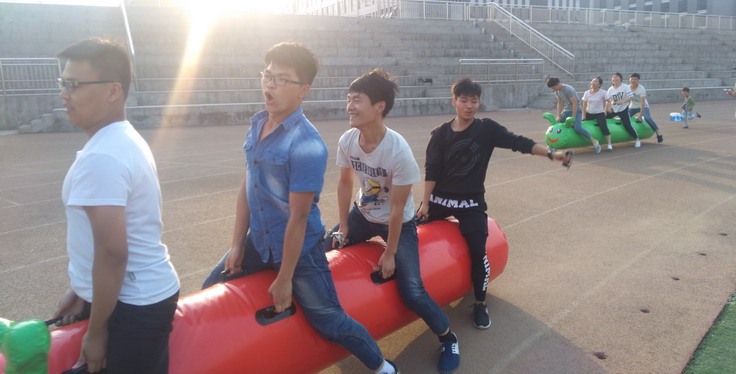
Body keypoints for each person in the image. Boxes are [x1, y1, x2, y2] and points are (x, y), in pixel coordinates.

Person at [202, 44, 398, 374]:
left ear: (303, 89)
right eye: (267, 76)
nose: (270, 85)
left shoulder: (307, 143)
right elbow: (248, 187)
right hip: (259, 240)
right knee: (209, 292)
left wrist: (285, 277)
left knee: (329, 320)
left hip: (300, 250)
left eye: (281, 79)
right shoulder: (258, 124)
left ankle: (383, 367)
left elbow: (299, 216)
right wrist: (237, 245)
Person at [52, 38, 180, 374]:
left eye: (73, 85)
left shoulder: (103, 156)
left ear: (113, 91)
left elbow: (112, 254)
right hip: (133, 295)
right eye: (63, 83)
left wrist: (97, 332)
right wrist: (81, 288)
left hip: (134, 304)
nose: (64, 94)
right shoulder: (119, 138)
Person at [326, 69, 461, 374]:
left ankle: (447, 337)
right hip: (362, 215)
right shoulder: (348, 139)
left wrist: (389, 252)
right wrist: (344, 227)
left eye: (356, 100)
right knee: (321, 251)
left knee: (412, 291)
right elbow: (345, 183)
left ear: (379, 106)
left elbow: (398, 209)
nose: (349, 106)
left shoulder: (398, 151)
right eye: (348, 99)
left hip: (396, 223)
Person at [415, 77, 572, 332]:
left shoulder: (486, 129)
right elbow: (432, 169)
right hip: (440, 199)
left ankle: (480, 302)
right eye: (464, 100)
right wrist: (425, 203)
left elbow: (518, 142)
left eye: (474, 101)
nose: (469, 105)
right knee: (408, 234)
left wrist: (552, 154)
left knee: (479, 251)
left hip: (471, 202)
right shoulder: (440, 133)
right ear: (454, 101)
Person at [547, 77, 601, 153]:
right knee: (556, 124)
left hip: (577, 110)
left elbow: (575, 103)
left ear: (558, 84)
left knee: (577, 128)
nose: (553, 89)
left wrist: (573, 118)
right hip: (567, 110)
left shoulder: (568, 89)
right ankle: (552, 145)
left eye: (553, 87)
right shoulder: (557, 91)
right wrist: (558, 115)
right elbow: (559, 102)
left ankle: (594, 141)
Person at [606, 72, 640, 148]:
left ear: (620, 78)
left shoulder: (625, 87)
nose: (615, 78)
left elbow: (630, 97)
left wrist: (622, 101)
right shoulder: (610, 89)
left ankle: (637, 139)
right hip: (614, 109)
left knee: (627, 125)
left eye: (616, 77)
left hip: (623, 109)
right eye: (613, 77)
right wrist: (608, 108)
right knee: (603, 119)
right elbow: (608, 100)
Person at [627, 73, 663, 143]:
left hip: (643, 106)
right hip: (633, 106)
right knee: (625, 118)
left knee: (647, 118)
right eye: (632, 79)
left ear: (638, 80)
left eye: (635, 79)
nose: (633, 80)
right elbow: (627, 99)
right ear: (629, 80)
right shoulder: (627, 88)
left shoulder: (641, 89)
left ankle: (658, 134)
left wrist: (640, 116)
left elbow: (642, 103)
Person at [582, 76, 613, 151]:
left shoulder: (603, 92)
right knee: (586, 128)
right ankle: (593, 142)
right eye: (592, 81)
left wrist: (607, 109)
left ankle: (609, 144)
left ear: (599, 84)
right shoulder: (587, 93)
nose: (593, 83)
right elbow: (584, 105)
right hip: (589, 113)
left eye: (595, 81)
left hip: (599, 113)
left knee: (604, 127)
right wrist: (583, 115)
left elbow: (609, 101)